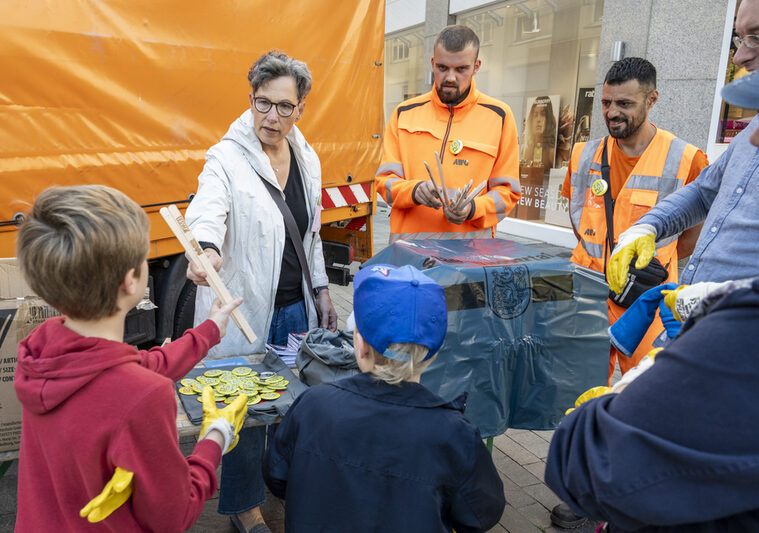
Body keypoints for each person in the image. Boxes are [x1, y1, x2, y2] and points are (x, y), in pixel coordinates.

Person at [544, 32, 759, 531]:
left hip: (679, 321)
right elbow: (700, 198)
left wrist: (607, 419)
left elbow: (586, 464)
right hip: (657, 310)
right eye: (737, 36)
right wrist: (646, 227)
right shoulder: (589, 156)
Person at [13, 185, 247, 532]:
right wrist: (215, 437)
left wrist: (210, 330)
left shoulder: (40, 350)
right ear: (131, 281)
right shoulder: (144, 396)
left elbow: (133, 369)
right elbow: (173, 516)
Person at [552, 57, 708, 528]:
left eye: (625, 102)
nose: (612, 111)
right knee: (584, 401)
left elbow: (691, 238)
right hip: (587, 299)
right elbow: (580, 220)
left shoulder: (686, 158)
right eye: (605, 102)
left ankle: (625, 503)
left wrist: (656, 273)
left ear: (652, 99)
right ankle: (584, 497)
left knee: (639, 405)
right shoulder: (583, 155)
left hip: (648, 305)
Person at [185, 50, 337, 533]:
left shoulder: (307, 157)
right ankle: (243, 508)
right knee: (243, 412)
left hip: (296, 310)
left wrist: (322, 289)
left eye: (284, 106)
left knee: (290, 406)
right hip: (247, 311)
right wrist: (205, 248)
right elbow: (207, 207)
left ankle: (279, 488)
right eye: (261, 103)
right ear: (250, 99)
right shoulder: (225, 157)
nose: (271, 117)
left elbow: (310, 234)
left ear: (301, 107)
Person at [606, 0, 759, 344]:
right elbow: (704, 190)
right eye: (739, 39)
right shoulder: (757, 126)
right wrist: (648, 226)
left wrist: (735, 295)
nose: (739, 57)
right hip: (696, 329)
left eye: (758, 36)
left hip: (751, 342)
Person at [263, 264, 505, 532]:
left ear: (360, 344)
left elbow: (277, 477)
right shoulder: (455, 434)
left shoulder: (312, 406)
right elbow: (482, 513)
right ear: (434, 353)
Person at [376, 25, 520, 244]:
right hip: (409, 258)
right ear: (433, 63)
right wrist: (414, 191)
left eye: (461, 69)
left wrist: (473, 208)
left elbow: (508, 193)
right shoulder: (404, 113)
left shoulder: (499, 116)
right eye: (442, 67)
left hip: (468, 263)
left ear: (476, 67)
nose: (450, 77)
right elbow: (384, 182)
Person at [522, 96, 557, 169]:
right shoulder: (527, 150)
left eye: (543, 114)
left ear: (548, 118)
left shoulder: (551, 153)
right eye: (535, 115)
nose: (538, 119)